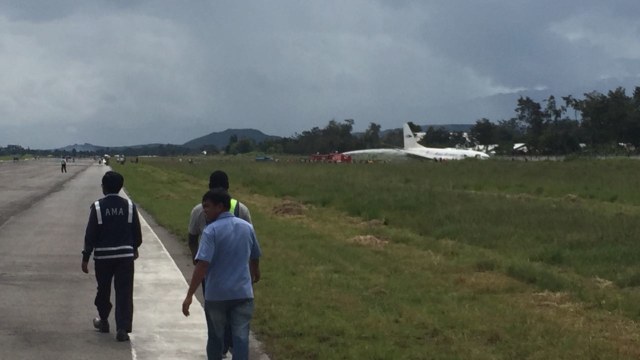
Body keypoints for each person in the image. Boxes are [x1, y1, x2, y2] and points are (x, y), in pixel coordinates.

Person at [182, 189, 261, 360]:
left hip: (217, 294)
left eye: (207, 207)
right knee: (240, 337)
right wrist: (255, 272)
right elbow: (255, 255)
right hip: (243, 293)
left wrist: (189, 295)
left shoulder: (211, 231)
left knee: (216, 338)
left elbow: (202, 264)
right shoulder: (247, 228)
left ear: (220, 207)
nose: (205, 211)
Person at [81, 171, 143, 342]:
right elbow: (137, 233)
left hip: (103, 257)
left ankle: (104, 321)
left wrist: (85, 257)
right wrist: (134, 248)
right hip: (125, 256)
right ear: (120, 186)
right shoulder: (130, 206)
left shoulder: (98, 207)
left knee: (103, 290)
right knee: (124, 292)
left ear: (104, 187)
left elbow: (90, 235)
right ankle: (122, 328)